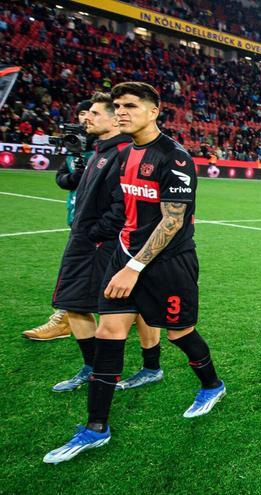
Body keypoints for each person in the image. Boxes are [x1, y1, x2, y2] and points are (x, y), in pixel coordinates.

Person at [44, 82, 225, 464]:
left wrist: (135, 266)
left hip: (168, 263)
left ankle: (212, 385)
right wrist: (121, 255)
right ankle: (96, 427)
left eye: (130, 106)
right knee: (109, 332)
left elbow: (172, 222)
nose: (122, 111)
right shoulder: (125, 153)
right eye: (118, 106)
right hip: (125, 256)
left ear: (154, 111)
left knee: (179, 331)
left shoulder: (173, 158)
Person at [49, 92, 164, 393]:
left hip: (102, 243)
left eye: (95, 114)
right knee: (75, 303)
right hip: (87, 239)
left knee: (125, 305)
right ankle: (94, 367)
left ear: (115, 120)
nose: (86, 118)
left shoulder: (124, 153)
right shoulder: (98, 150)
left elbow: (121, 203)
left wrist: (95, 234)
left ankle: (146, 366)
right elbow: (67, 182)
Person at [22, 100, 92, 341]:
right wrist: (75, 177)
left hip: (97, 225)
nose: (86, 118)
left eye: (92, 113)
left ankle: (63, 319)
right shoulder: (76, 148)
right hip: (77, 217)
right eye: (82, 113)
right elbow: (62, 178)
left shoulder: (106, 149)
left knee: (73, 273)